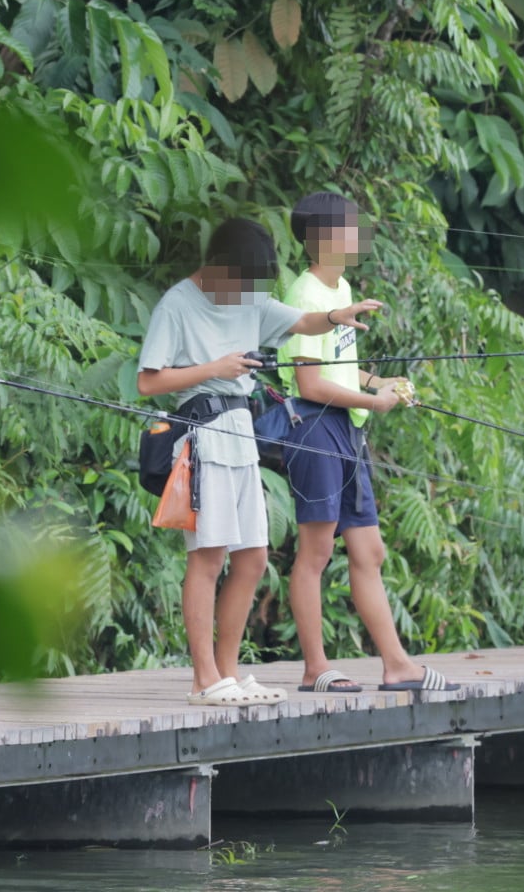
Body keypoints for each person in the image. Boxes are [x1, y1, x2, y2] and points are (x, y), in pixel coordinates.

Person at [136, 217, 382, 707]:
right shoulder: (178, 304)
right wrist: (215, 368)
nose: (247, 290)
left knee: (251, 558)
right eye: (241, 279)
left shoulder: (249, 297)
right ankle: (203, 678)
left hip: (242, 436)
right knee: (207, 557)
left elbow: (298, 322)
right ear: (218, 265)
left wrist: (336, 317)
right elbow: (148, 382)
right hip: (203, 435)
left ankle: (228, 671)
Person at [279, 192, 459, 694]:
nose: (358, 236)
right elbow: (309, 384)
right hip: (315, 428)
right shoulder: (306, 296)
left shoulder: (343, 288)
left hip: (347, 429)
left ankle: (397, 665)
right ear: (325, 237)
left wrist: (378, 384)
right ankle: (315, 668)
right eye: (352, 228)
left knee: (369, 549)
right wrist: (372, 402)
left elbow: (336, 363)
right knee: (315, 552)